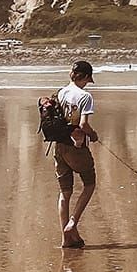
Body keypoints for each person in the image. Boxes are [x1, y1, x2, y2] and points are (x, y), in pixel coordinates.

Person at [54, 60, 99, 248]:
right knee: (89, 184)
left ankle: (66, 239)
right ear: (87, 77)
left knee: (65, 193)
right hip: (76, 149)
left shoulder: (61, 92)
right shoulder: (85, 96)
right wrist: (93, 135)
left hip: (59, 147)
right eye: (88, 79)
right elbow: (83, 125)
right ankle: (73, 223)